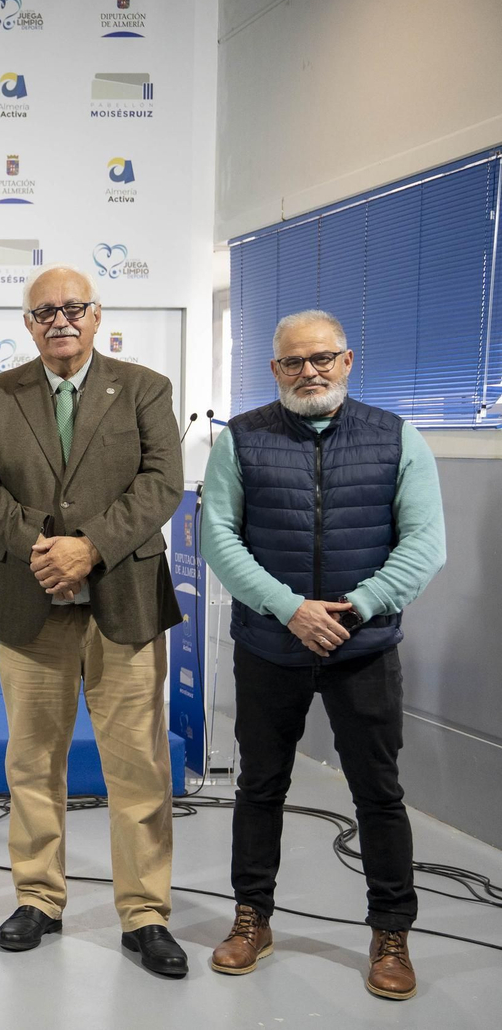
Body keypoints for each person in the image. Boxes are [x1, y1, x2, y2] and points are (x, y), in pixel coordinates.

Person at [200, 310, 445, 1000]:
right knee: (260, 788)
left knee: (379, 794)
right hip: (269, 645)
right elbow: (218, 537)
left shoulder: (397, 438)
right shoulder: (240, 439)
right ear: (274, 369)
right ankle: (252, 918)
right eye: (293, 362)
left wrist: (356, 607)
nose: (309, 371)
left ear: (347, 360)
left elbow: (425, 544)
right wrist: (290, 609)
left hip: (363, 648)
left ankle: (391, 933)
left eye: (322, 358)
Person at [0, 264, 187, 976]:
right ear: (28, 324)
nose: (60, 320)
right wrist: (42, 545)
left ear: (96, 316)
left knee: (138, 767)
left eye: (73, 308)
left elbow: (162, 483)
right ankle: (38, 899)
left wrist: (88, 548)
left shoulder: (144, 388)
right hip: (29, 605)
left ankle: (145, 913)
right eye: (45, 312)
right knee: (32, 763)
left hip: (124, 604)